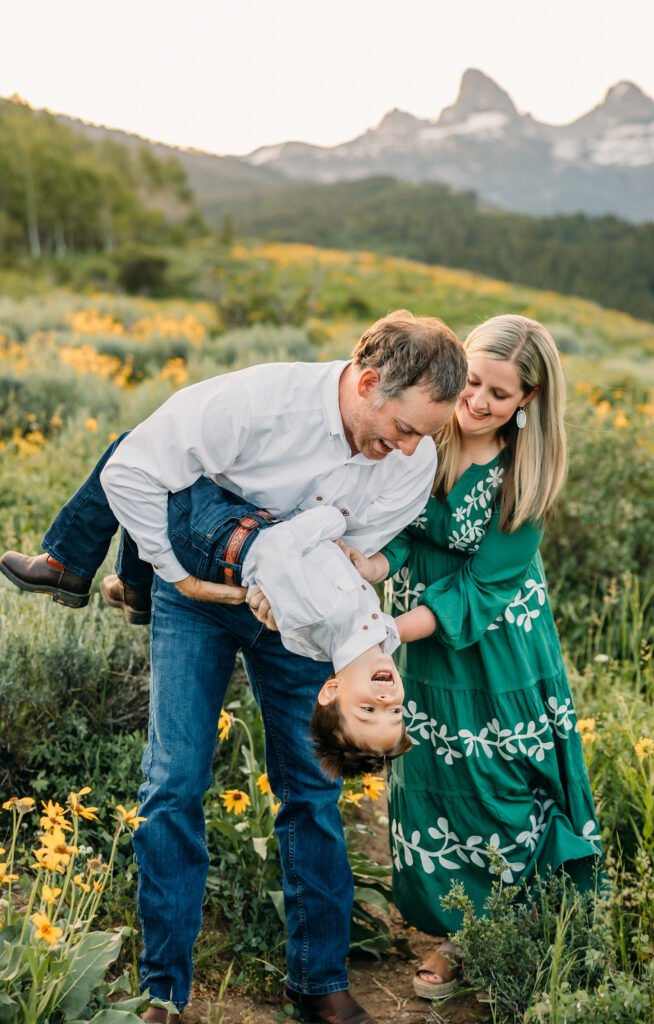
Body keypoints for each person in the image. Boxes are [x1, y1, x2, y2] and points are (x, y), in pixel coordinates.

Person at [3, 310, 467, 1024]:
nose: (410, 448)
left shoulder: (412, 460)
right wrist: (176, 579)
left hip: (301, 628)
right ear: (369, 383)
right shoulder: (254, 402)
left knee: (312, 793)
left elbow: (357, 545)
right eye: (404, 427)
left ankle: (319, 984)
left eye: (425, 435)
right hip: (198, 597)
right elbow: (129, 471)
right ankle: (164, 992)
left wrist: (316, 590)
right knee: (173, 782)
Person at [341, 315, 602, 1000]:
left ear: (528, 403)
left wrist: (388, 631)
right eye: (473, 382)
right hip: (423, 640)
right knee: (431, 775)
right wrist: (371, 562)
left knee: (498, 781)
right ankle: (453, 922)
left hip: (494, 646)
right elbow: (402, 530)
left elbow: (482, 587)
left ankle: (487, 936)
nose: (477, 401)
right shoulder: (426, 435)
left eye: (499, 393)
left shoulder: (523, 475)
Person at [1, 454, 412, 776]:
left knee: (138, 462)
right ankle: (132, 584)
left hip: (228, 543)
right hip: (240, 535)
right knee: (154, 477)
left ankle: (81, 568)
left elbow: (275, 553)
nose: (384, 700)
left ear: (330, 691)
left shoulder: (322, 619)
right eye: (394, 712)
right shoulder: (379, 636)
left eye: (367, 711)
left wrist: (331, 519)